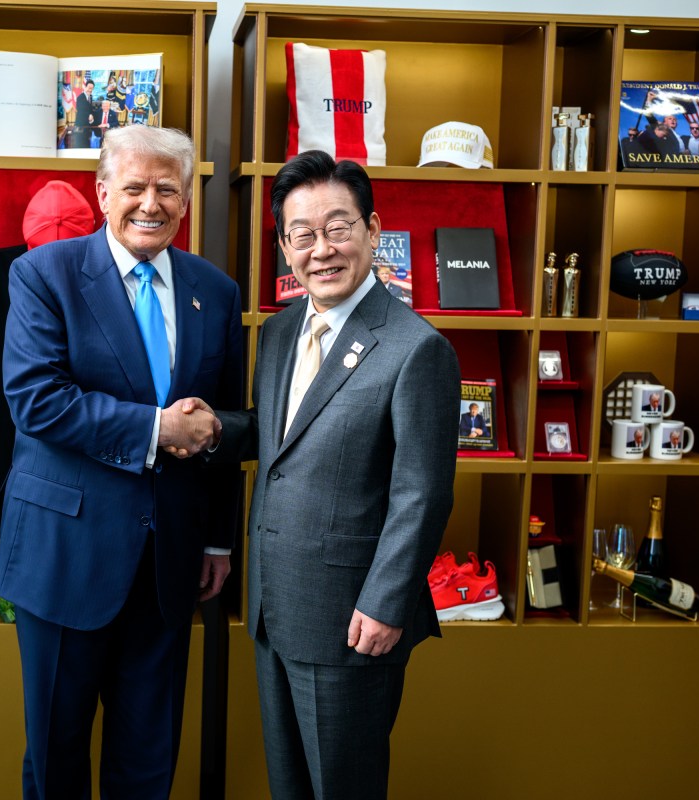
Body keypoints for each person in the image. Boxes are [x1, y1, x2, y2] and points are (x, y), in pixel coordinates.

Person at [179, 150, 459, 799]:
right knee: (291, 787)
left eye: (338, 227)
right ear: (284, 244)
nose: (321, 248)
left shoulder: (416, 348)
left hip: (352, 620)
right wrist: (217, 429)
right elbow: (282, 436)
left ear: (372, 229)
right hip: (276, 608)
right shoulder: (279, 334)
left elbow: (423, 493)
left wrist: (385, 602)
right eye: (301, 234)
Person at [0, 124, 243, 800]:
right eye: (134, 187)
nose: (150, 204)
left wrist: (218, 537)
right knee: (57, 753)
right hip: (64, 556)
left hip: (169, 563)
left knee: (147, 757)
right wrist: (158, 429)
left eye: (167, 189)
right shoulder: (43, 274)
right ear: (103, 193)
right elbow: (36, 401)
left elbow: (229, 420)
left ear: (187, 200)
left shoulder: (215, 292)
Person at [71, 79, 96, 148]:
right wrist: (89, 116)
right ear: (85, 87)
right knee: (80, 145)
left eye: (92, 88)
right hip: (80, 125)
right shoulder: (80, 97)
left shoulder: (90, 97)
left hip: (87, 126)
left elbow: (90, 109)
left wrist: (92, 116)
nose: (90, 90)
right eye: (89, 88)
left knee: (87, 144)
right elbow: (81, 111)